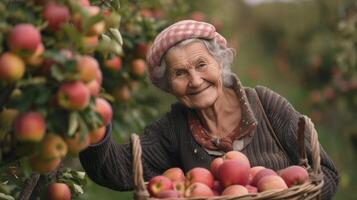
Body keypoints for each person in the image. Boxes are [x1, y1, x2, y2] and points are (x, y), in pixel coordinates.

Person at [79, 20, 339, 199]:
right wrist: (92, 115)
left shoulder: (266, 104)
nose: (194, 80)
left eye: (201, 64)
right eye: (180, 73)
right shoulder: (172, 129)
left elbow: (326, 174)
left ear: (221, 63)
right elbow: (115, 170)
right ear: (168, 85)